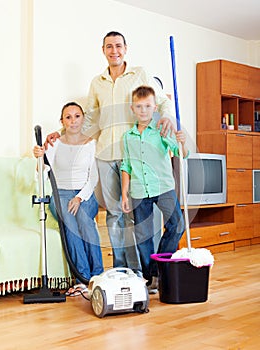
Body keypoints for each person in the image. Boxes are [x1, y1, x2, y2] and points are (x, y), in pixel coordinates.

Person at [45, 31, 175, 276]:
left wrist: (167, 116)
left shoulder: (139, 74)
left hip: (134, 155)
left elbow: (160, 102)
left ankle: (143, 271)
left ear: (125, 48)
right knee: (114, 214)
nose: (114, 50)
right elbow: (89, 117)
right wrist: (61, 132)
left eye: (118, 46)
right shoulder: (97, 82)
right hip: (105, 154)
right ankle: (119, 268)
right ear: (103, 50)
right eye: (109, 47)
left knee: (137, 214)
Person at [121, 86, 188, 294]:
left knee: (177, 226)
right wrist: (124, 193)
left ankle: (159, 267)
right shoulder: (128, 136)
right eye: (139, 107)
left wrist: (182, 142)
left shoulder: (162, 129)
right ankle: (151, 277)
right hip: (139, 191)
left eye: (148, 106)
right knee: (143, 235)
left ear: (155, 107)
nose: (143, 111)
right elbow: (126, 166)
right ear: (133, 108)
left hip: (164, 187)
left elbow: (181, 153)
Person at [33, 102, 103, 295]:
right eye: (68, 117)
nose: (73, 121)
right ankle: (82, 278)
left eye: (77, 116)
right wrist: (39, 158)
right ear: (62, 121)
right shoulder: (54, 144)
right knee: (71, 222)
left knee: (83, 219)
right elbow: (43, 173)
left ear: (83, 118)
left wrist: (79, 198)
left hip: (84, 194)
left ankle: (97, 276)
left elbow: (93, 177)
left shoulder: (91, 144)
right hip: (60, 193)